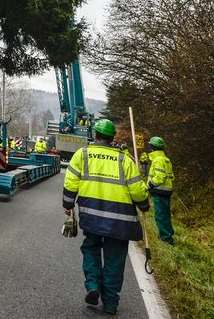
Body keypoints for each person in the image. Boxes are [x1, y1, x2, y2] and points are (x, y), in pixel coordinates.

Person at [62, 118, 150, 315]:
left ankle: (93, 284)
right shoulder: (125, 160)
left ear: (95, 135)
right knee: (115, 260)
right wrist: (144, 204)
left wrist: (68, 205)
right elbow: (137, 190)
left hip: (91, 217)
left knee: (91, 249)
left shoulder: (82, 154)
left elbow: (70, 183)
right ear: (113, 138)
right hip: (120, 222)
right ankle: (110, 303)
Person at [147, 136, 175, 245]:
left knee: (160, 216)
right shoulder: (165, 159)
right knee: (165, 215)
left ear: (152, 147)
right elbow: (172, 176)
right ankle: (167, 235)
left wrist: (150, 184)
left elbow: (160, 177)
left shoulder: (158, 160)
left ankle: (166, 239)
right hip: (166, 191)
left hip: (159, 192)